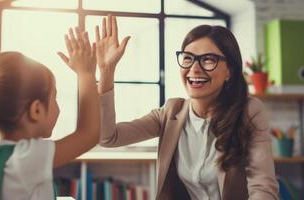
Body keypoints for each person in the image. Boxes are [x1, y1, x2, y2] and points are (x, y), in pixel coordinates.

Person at [95, 15, 279, 200]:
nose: (194, 68)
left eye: (208, 59)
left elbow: (263, 188)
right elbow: (109, 138)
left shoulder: (249, 111)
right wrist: (106, 71)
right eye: (188, 58)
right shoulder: (171, 112)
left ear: (229, 70)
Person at [0, 27, 100, 200]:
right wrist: (86, 73)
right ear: (36, 110)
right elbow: (88, 135)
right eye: (55, 98)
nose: (58, 106)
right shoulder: (26, 157)